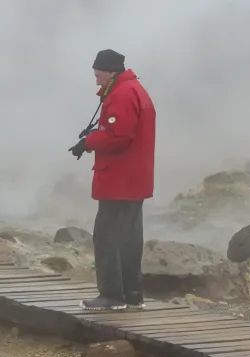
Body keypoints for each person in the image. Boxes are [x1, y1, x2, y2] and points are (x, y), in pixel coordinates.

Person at [71, 49, 157, 311]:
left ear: (111, 72)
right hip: (135, 180)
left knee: (107, 237)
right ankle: (132, 294)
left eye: (98, 75)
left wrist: (88, 142)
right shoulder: (135, 90)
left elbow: (119, 136)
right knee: (129, 238)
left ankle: (111, 296)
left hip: (119, 180)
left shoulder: (121, 94)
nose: (96, 80)